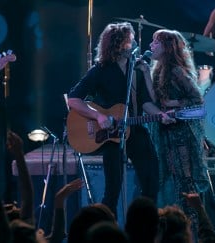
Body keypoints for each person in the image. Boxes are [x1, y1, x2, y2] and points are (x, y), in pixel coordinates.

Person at [66, 22, 161, 217]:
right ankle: (107, 230)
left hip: (135, 130)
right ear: (119, 44)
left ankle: (143, 226)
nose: (134, 42)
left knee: (151, 180)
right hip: (110, 135)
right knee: (113, 190)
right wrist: (98, 115)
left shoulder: (137, 69)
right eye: (130, 39)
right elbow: (74, 99)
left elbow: (145, 102)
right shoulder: (100, 69)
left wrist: (161, 114)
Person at [142, 29, 209, 242]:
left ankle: (195, 232)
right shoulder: (157, 69)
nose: (151, 46)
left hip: (182, 135)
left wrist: (175, 104)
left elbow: (198, 102)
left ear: (168, 47)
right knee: (171, 181)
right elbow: (154, 100)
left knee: (185, 181)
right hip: (165, 134)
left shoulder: (177, 71)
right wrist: (144, 73)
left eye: (156, 42)